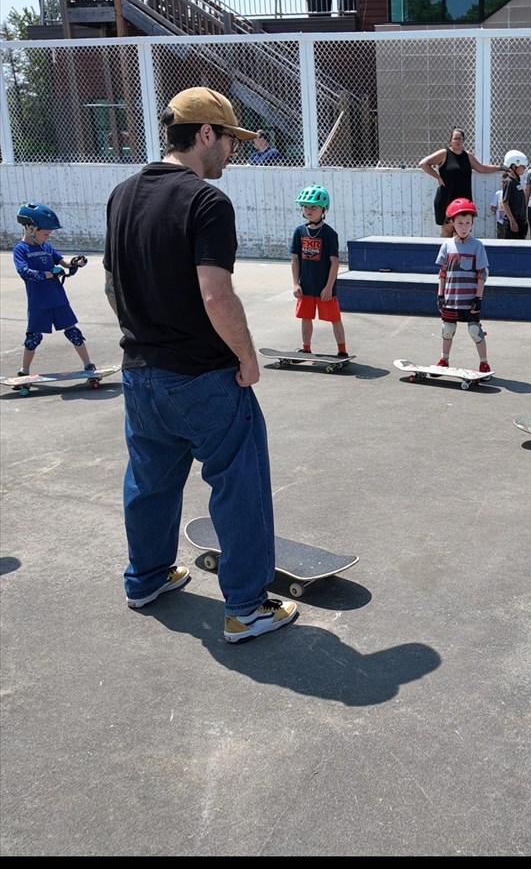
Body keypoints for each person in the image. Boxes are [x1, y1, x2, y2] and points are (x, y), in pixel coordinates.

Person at [102, 86, 298, 643]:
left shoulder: (122, 194)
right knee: (239, 485)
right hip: (202, 378)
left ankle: (146, 578)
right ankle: (246, 608)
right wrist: (247, 358)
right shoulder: (206, 201)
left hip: (140, 371)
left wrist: (143, 337)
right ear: (206, 134)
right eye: (230, 139)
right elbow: (215, 294)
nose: (232, 151)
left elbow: (113, 285)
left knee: (150, 481)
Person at [12, 203, 95, 377]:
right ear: (31, 228)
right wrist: (50, 274)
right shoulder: (21, 250)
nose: (48, 237)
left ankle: (88, 365)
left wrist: (75, 262)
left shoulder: (46, 247)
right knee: (33, 338)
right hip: (38, 302)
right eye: (45, 234)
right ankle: (24, 370)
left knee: (74, 333)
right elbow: (24, 272)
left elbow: (62, 262)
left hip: (58, 299)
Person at [434, 197, 491, 373]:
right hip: (451, 299)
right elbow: (443, 272)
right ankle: (444, 359)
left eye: (468, 223)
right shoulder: (447, 246)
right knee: (447, 329)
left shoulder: (477, 246)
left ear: (472, 223)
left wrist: (478, 298)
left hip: (470, 300)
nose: (464, 227)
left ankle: (484, 363)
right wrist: (440, 295)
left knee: (474, 330)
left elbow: (482, 274)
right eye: (460, 223)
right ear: (452, 223)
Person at [290, 184, 348, 358]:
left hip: (324, 288)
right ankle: (306, 348)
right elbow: (295, 259)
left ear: (323, 209)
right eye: (306, 207)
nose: (309, 210)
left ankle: (342, 350)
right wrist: (295, 284)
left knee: (334, 318)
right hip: (306, 286)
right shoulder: (299, 232)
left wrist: (329, 287)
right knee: (305, 317)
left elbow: (334, 262)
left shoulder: (329, 234)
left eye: (314, 207)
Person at [419, 127, 502, 238]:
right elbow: (423, 163)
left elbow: (481, 168)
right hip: (446, 197)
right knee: (447, 230)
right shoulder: (444, 153)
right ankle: (445, 249)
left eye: (460, 138)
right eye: (455, 138)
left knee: (462, 230)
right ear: (450, 140)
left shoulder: (468, 156)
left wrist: (500, 167)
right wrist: (438, 177)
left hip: (463, 198)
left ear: (464, 140)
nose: (457, 141)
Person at [499, 149, 529, 240]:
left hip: (520, 220)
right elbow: (505, 202)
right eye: (522, 166)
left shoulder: (516, 181)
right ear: (514, 166)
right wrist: (512, 220)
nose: (524, 168)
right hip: (514, 221)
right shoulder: (509, 182)